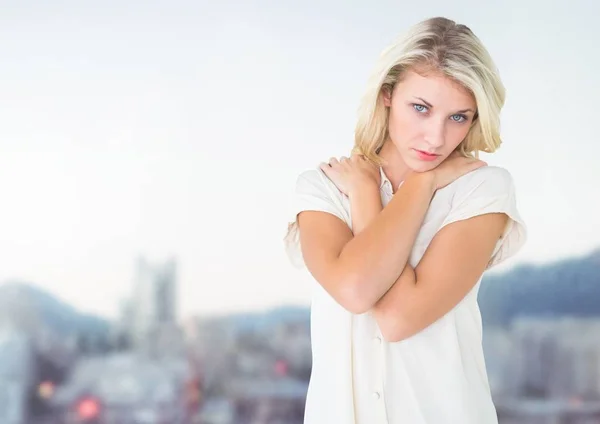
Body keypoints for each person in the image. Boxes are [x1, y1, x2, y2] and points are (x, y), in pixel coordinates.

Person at [284, 16, 527, 424]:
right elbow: (356, 289)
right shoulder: (323, 189)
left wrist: (413, 186)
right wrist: (378, 190)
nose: (435, 138)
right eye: (421, 108)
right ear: (387, 95)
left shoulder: (481, 189)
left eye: (458, 117)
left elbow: (397, 318)